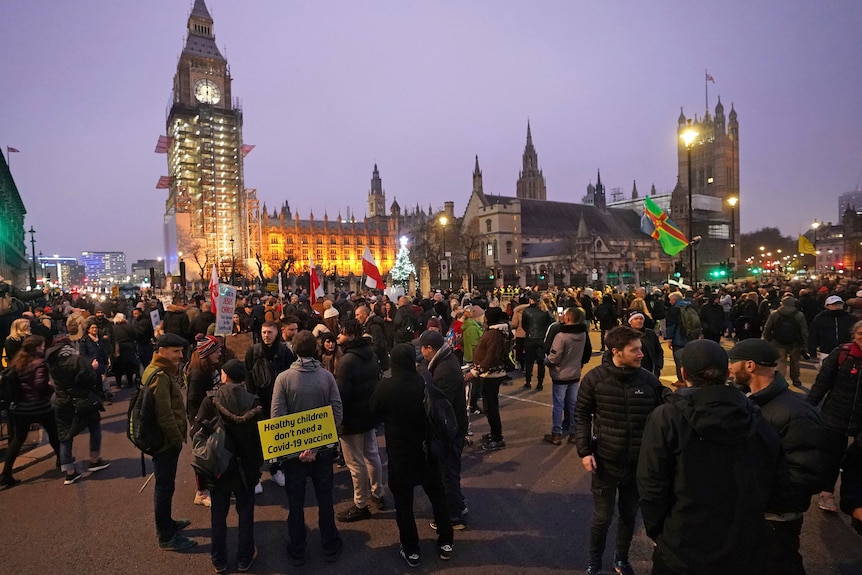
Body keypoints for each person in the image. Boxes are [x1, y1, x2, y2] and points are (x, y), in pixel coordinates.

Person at [637, 339, 786, 575]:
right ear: (727, 372)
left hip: (682, 542)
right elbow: (772, 471)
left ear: (684, 373)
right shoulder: (753, 413)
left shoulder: (667, 416)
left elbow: (651, 483)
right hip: (741, 541)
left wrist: (658, 531)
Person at [727, 339, 838, 575]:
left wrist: (763, 500)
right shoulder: (752, 402)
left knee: (779, 565)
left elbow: (806, 473)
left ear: (749, 365)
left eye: (732, 363)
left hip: (775, 518)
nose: (729, 368)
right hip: (757, 512)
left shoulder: (795, 412)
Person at [574, 326, 667, 575]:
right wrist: (584, 451)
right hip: (606, 461)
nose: (641, 354)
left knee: (629, 514)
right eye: (634, 350)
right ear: (616, 352)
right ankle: (594, 561)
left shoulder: (649, 380)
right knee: (602, 517)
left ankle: (621, 559)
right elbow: (581, 415)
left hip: (638, 464)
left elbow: (668, 412)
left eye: (640, 349)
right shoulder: (594, 378)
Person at [370, 343, 454, 567]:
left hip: (401, 454)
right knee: (437, 496)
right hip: (428, 450)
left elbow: (373, 414)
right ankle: (446, 542)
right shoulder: (424, 381)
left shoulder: (386, 387)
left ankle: (412, 549)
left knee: (404, 504)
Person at [271, 330, 344, 566]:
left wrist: (299, 447)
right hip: (322, 453)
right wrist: (318, 445)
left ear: (293, 350)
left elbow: (278, 419)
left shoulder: (283, 379)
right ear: (315, 349)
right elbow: (337, 412)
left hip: (294, 456)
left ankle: (298, 548)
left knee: (296, 503)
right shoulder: (326, 377)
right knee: (325, 500)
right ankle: (330, 544)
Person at [193, 359, 263, 573]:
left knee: (218, 516)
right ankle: (244, 557)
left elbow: (196, 431)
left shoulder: (211, 400)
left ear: (225, 376)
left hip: (218, 468)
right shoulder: (253, 401)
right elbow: (260, 439)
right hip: (246, 468)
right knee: (246, 513)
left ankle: (219, 559)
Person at [143, 333, 197, 551]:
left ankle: (166, 523)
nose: (180, 355)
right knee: (165, 488)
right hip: (164, 442)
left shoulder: (157, 370)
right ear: (161, 350)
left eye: (181, 351)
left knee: (166, 486)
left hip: (160, 440)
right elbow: (164, 415)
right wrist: (176, 439)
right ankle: (166, 536)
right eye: (176, 351)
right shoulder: (160, 377)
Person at [334, 319, 387, 522]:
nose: (338, 336)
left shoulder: (346, 361)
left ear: (352, 336)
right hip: (368, 414)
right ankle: (378, 494)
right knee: (372, 455)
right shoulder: (370, 354)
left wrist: (336, 418)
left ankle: (360, 504)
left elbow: (340, 395)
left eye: (342, 332)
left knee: (355, 463)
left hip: (351, 419)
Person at [807, 319, 862, 513]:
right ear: (854, 335)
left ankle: (855, 500)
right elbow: (822, 382)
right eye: (860, 333)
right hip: (835, 414)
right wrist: (808, 407)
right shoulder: (841, 353)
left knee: (858, 461)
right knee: (831, 457)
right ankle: (827, 493)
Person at [418, 329, 469, 528]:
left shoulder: (443, 369)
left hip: (449, 430)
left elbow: (440, 404)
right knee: (450, 472)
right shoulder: (446, 359)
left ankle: (454, 516)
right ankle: (458, 507)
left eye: (422, 348)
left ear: (430, 349)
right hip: (454, 426)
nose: (421, 352)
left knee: (447, 473)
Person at [44, 335, 111, 486]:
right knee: (94, 426)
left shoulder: (50, 361)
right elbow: (87, 379)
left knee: (65, 437)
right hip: (81, 400)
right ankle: (94, 460)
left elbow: (51, 382)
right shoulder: (76, 359)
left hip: (61, 401)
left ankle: (69, 472)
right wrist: (92, 370)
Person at [0, 335, 60, 487]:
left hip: (20, 408)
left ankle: (6, 473)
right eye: (42, 345)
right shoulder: (40, 363)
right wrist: (50, 388)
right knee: (53, 433)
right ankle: (62, 459)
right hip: (40, 406)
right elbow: (40, 386)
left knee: (18, 440)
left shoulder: (18, 362)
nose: (44, 347)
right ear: (37, 348)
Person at [244, 320, 296, 492]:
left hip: (278, 401)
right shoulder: (253, 351)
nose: (266, 335)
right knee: (256, 441)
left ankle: (276, 469)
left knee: (276, 438)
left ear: (276, 333)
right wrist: (252, 399)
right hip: (259, 402)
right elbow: (248, 376)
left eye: (270, 332)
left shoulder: (284, 352)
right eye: (264, 332)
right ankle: (256, 476)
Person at [542, 307, 591, 445]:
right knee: (573, 403)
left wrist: (546, 361)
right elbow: (587, 352)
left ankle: (556, 434)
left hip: (560, 374)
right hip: (575, 372)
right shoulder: (583, 334)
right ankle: (573, 432)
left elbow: (554, 357)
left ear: (568, 318)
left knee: (558, 404)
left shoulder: (561, 336)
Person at [186, 334, 223, 507]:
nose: (220, 352)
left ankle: (210, 485)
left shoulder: (210, 366)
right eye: (217, 350)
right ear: (208, 352)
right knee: (202, 455)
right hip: (201, 420)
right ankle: (200, 492)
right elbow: (193, 398)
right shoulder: (198, 372)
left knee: (212, 453)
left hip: (211, 417)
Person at [468, 306, 512, 450]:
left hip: (491, 375)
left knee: (491, 407)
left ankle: (497, 436)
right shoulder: (496, 332)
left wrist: (476, 370)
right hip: (490, 374)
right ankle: (494, 433)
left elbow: (491, 357)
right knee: (490, 405)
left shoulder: (494, 334)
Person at [762, 296, 807, 388]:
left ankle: (780, 380)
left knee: (781, 362)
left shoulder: (775, 314)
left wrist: (766, 340)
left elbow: (767, 328)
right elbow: (804, 331)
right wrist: (805, 344)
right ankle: (795, 379)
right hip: (795, 343)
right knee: (795, 362)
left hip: (778, 342)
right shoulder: (799, 315)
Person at [664, 291, 698, 387]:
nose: (670, 302)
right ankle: (691, 378)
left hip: (679, 339)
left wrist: (669, 339)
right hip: (690, 337)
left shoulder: (674, 310)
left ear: (674, 300)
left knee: (679, 359)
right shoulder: (690, 307)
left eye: (670, 300)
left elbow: (671, 326)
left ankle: (681, 379)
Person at [521, 292, 554, 390]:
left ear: (531, 300)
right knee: (541, 362)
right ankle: (540, 383)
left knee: (529, 362)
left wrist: (529, 332)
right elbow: (552, 323)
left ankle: (528, 382)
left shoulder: (526, 311)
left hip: (530, 339)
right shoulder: (545, 310)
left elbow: (524, 325)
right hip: (541, 339)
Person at [809, 295, 853, 365]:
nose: (837, 306)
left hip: (845, 351)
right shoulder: (820, 318)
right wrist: (812, 350)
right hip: (826, 351)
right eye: (834, 304)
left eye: (839, 303)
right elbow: (813, 335)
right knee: (826, 372)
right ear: (827, 306)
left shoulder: (849, 317)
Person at [628, 311, 663, 378]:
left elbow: (658, 350)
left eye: (641, 319)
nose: (639, 321)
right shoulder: (625, 335)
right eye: (636, 319)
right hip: (633, 370)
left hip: (650, 369)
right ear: (631, 321)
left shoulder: (651, 334)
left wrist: (658, 365)